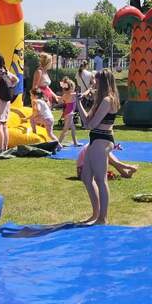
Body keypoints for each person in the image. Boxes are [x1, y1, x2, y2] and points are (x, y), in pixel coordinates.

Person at [75, 70, 120, 224]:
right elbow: (86, 120)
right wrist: (78, 102)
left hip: (102, 140)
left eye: (96, 80)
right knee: (86, 177)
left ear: (103, 82)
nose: (93, 83)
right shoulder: (100, 99)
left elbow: (91, 124)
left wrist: (88, 124)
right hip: (95, 139)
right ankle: (95, 215)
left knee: (101, 179)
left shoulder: (108, 100)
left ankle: (103, 218)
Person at [56, 78, 81, 147]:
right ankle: (58, 143)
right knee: (65, 130)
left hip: (67, 113)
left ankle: (75, 142)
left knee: (73, 128)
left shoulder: (65, 95)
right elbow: (82, 94)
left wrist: (58, 97)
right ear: (71, 88)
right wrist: (89, 90)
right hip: (70, 114)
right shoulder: (72, 94)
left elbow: (60, 101)